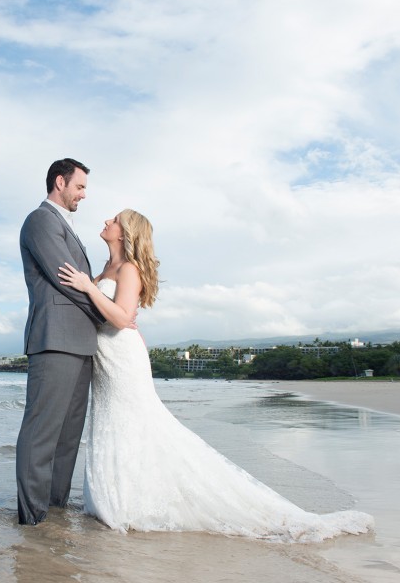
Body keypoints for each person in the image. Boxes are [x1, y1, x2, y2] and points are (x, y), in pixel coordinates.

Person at [58, 209, 374, 541]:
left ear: (125, 233)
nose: (107, 221)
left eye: (114, 220)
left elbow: (121, 318)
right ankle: (117, 496)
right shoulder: (107, 268)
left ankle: (128, 502)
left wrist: (86, 287)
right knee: (112, 424)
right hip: (107, 359)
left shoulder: (129, 268)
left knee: (132, 423)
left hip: (122, 359)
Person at [16, 158, 107, 526]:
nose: (84, 195)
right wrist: (108, 312)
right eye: (80, 187)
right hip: (54, 341)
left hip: (81, 344)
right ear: (60, 182)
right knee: (41, 433)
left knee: (68, 439)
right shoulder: (41, 220)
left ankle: (54, 513)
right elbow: (66, 280)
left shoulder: (65, 226)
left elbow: (83, 280)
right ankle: (32, 519)